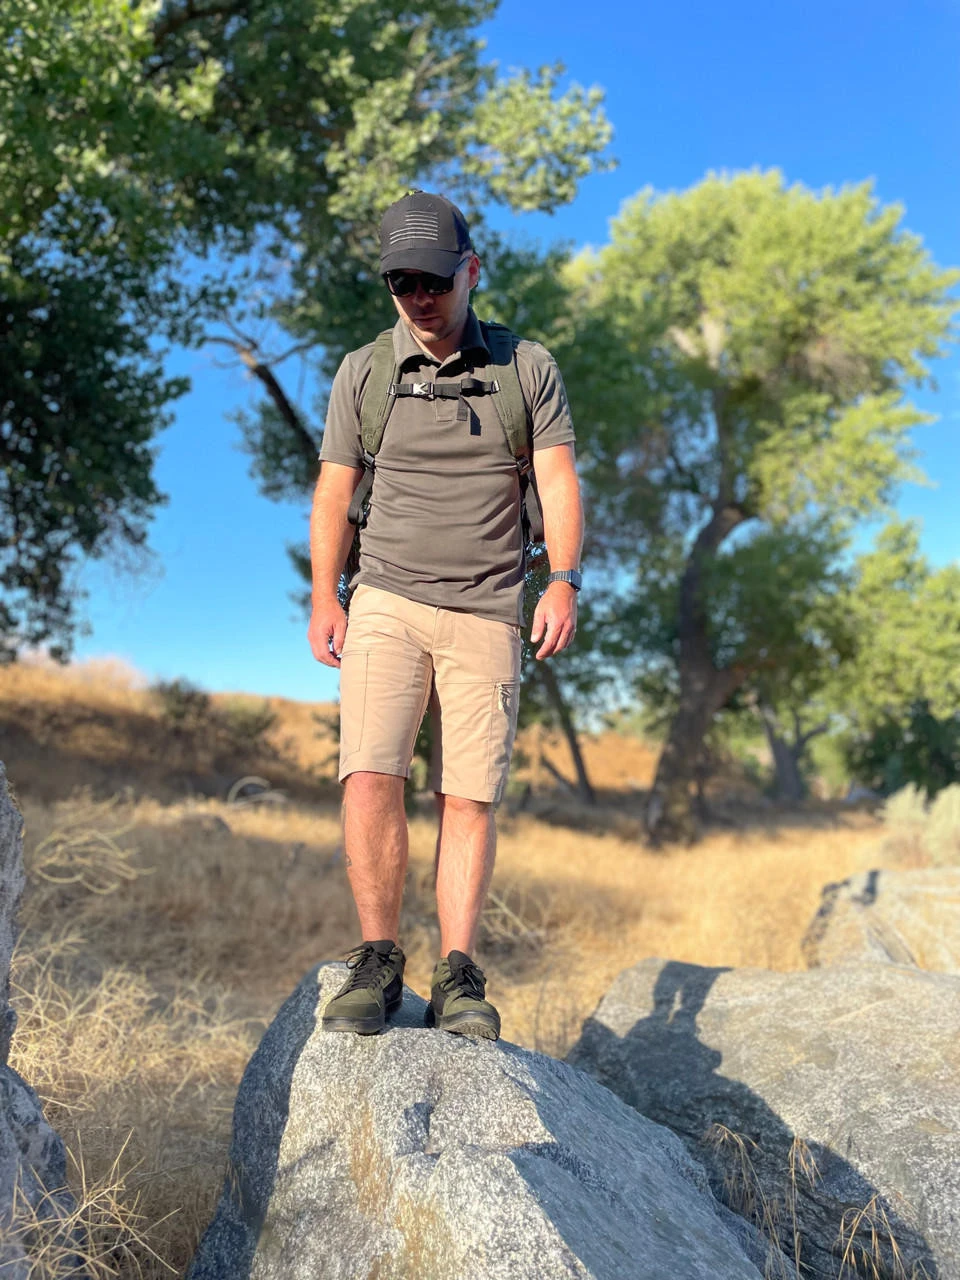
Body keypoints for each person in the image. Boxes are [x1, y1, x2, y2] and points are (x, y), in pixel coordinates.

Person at [307, 190, 583, 1041]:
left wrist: (564, 578)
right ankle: (378, 959)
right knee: (370, 774)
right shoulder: (364, 371)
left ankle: (458, 974)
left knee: (467, 796)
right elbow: (334, 492)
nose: (419, 298)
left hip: (489, 609)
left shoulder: (525, 367)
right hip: (384, 598)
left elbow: (558, 481)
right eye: (401, 282)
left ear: (471, 269)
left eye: (433, 279)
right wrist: (324, 594)